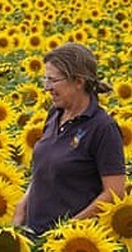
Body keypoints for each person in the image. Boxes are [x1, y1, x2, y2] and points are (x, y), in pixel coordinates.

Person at [13, 42, 125, 235]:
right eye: (45, 79)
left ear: (78, 81)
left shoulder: (103, 128)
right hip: (33, 234)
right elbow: (45, 170)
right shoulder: (54, 114)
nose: (47, 87)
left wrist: (68, 228)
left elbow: (114, 193)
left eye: (53, 80)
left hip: (70, 242)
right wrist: (22, 205)